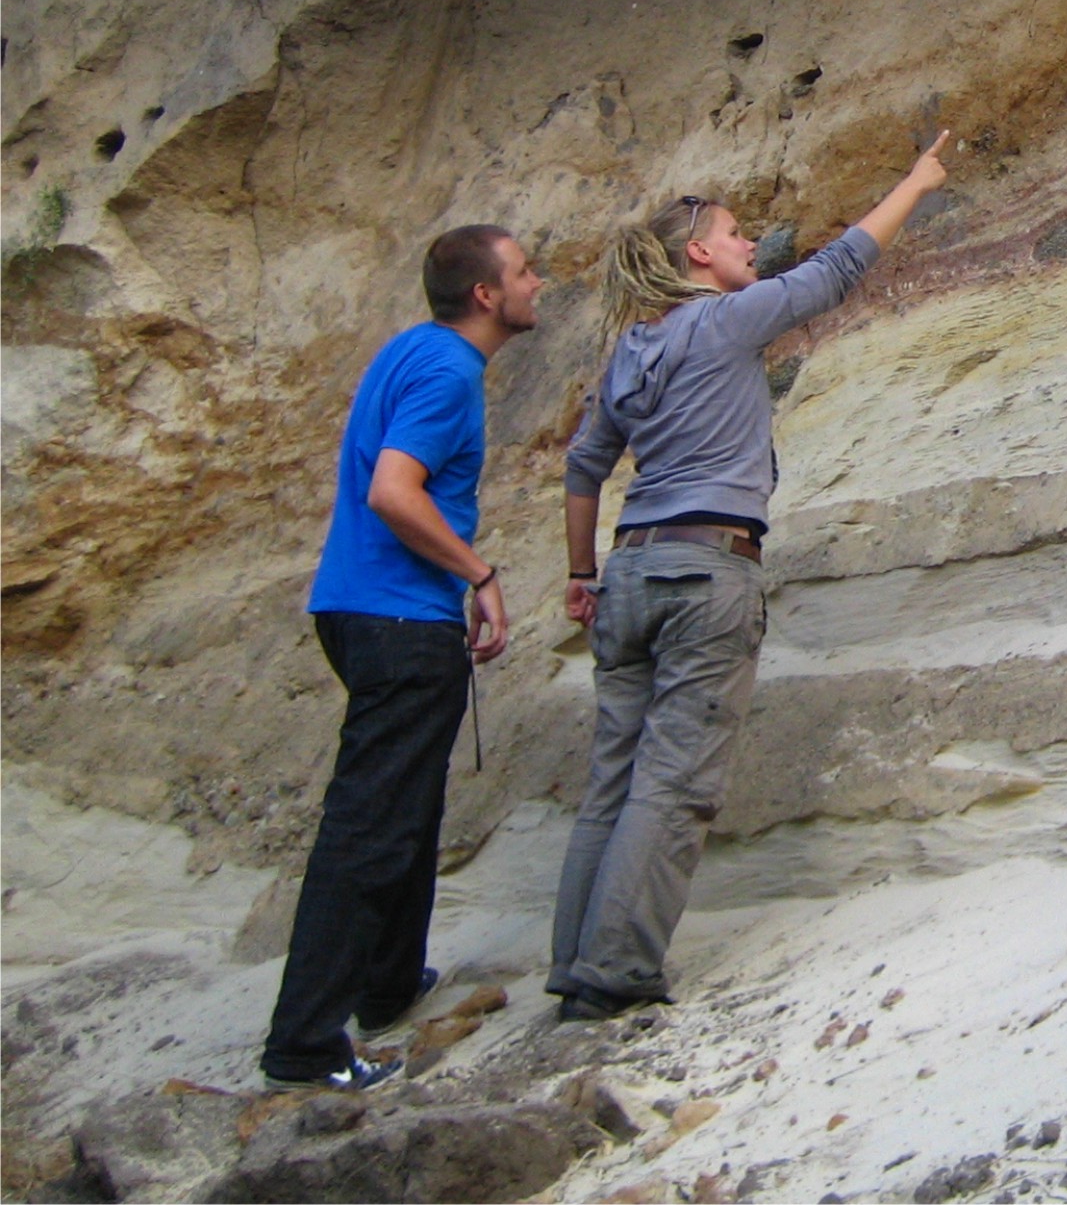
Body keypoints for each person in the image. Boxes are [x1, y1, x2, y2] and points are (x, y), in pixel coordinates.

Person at [548, 133, 952, 1020]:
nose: (747, 245)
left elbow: (584, 468)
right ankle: (614, 977)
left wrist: (581, 573)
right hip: (707, 569)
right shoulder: (722, 319)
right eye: (736, 235)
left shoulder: (627, 352)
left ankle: (572, 962)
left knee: (612, 776)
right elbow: (836, 269)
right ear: (698, 253)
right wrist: (915, 182)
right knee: (674, 779)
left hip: (629, 572)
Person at [260, 225, 542, 1090]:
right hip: (399, 620)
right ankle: (307, 1045)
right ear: (487, 295)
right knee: (371, 828)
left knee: (405, 808)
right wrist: (479, 573)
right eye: (525, 271)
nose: (540, 282)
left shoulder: (409, 351)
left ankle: (385, 987)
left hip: (353, 606)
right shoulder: (452, 371)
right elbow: (394, 490)